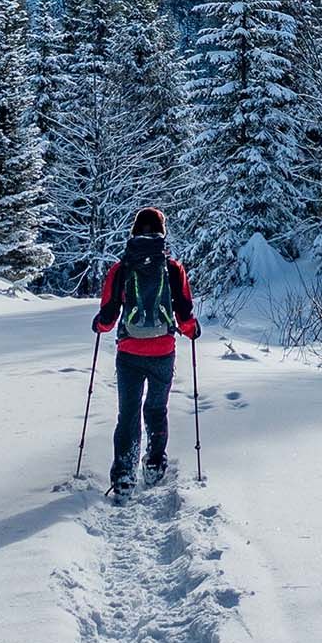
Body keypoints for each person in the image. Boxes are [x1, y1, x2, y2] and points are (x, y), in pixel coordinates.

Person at [91, 207, 200, 493]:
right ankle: (153, 463)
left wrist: (100, 327)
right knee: (156, 408)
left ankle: (124, 475)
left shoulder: (121, 268)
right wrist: (191, 330)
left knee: (128, 413)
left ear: (134, 231)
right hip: (163, 351)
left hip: (129, 353)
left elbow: (108, 315)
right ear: (162, 232)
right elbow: (185, 311)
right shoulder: (173, 268)